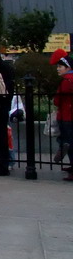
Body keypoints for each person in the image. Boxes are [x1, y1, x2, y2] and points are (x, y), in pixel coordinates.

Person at [52, 50, 73, 181]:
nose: (58, 69)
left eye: (60, 67)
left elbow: (58, 100)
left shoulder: (67, 80)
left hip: (67, 116)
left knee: (69, 143)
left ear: (68, 67)